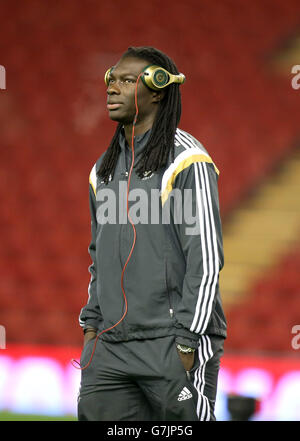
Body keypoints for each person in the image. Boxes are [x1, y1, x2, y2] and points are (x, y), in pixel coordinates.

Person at [77, 46, 227, 421]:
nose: (112, 88)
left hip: (171, 342)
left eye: (127, 81)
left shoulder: (186, 159)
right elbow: (99, 260)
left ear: (157, 89)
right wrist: (91, 329)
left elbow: (206, 258)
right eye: (112, 79)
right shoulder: (103, 169)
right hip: (110, 347)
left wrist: (186, 340)